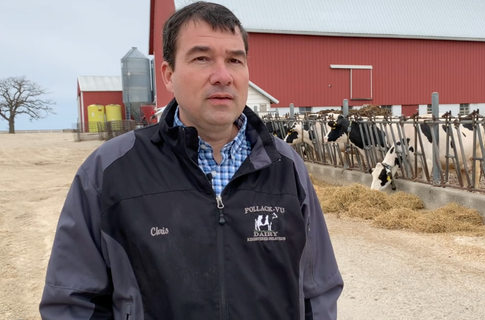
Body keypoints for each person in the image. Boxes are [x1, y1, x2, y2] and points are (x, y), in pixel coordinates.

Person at [39, 2, 343, 319]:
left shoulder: (286, 165)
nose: (223, 76)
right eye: (202, 58)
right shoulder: (110, 170)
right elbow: (73, 303)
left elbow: (317, 291)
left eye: (235, 60)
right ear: (169, 75)